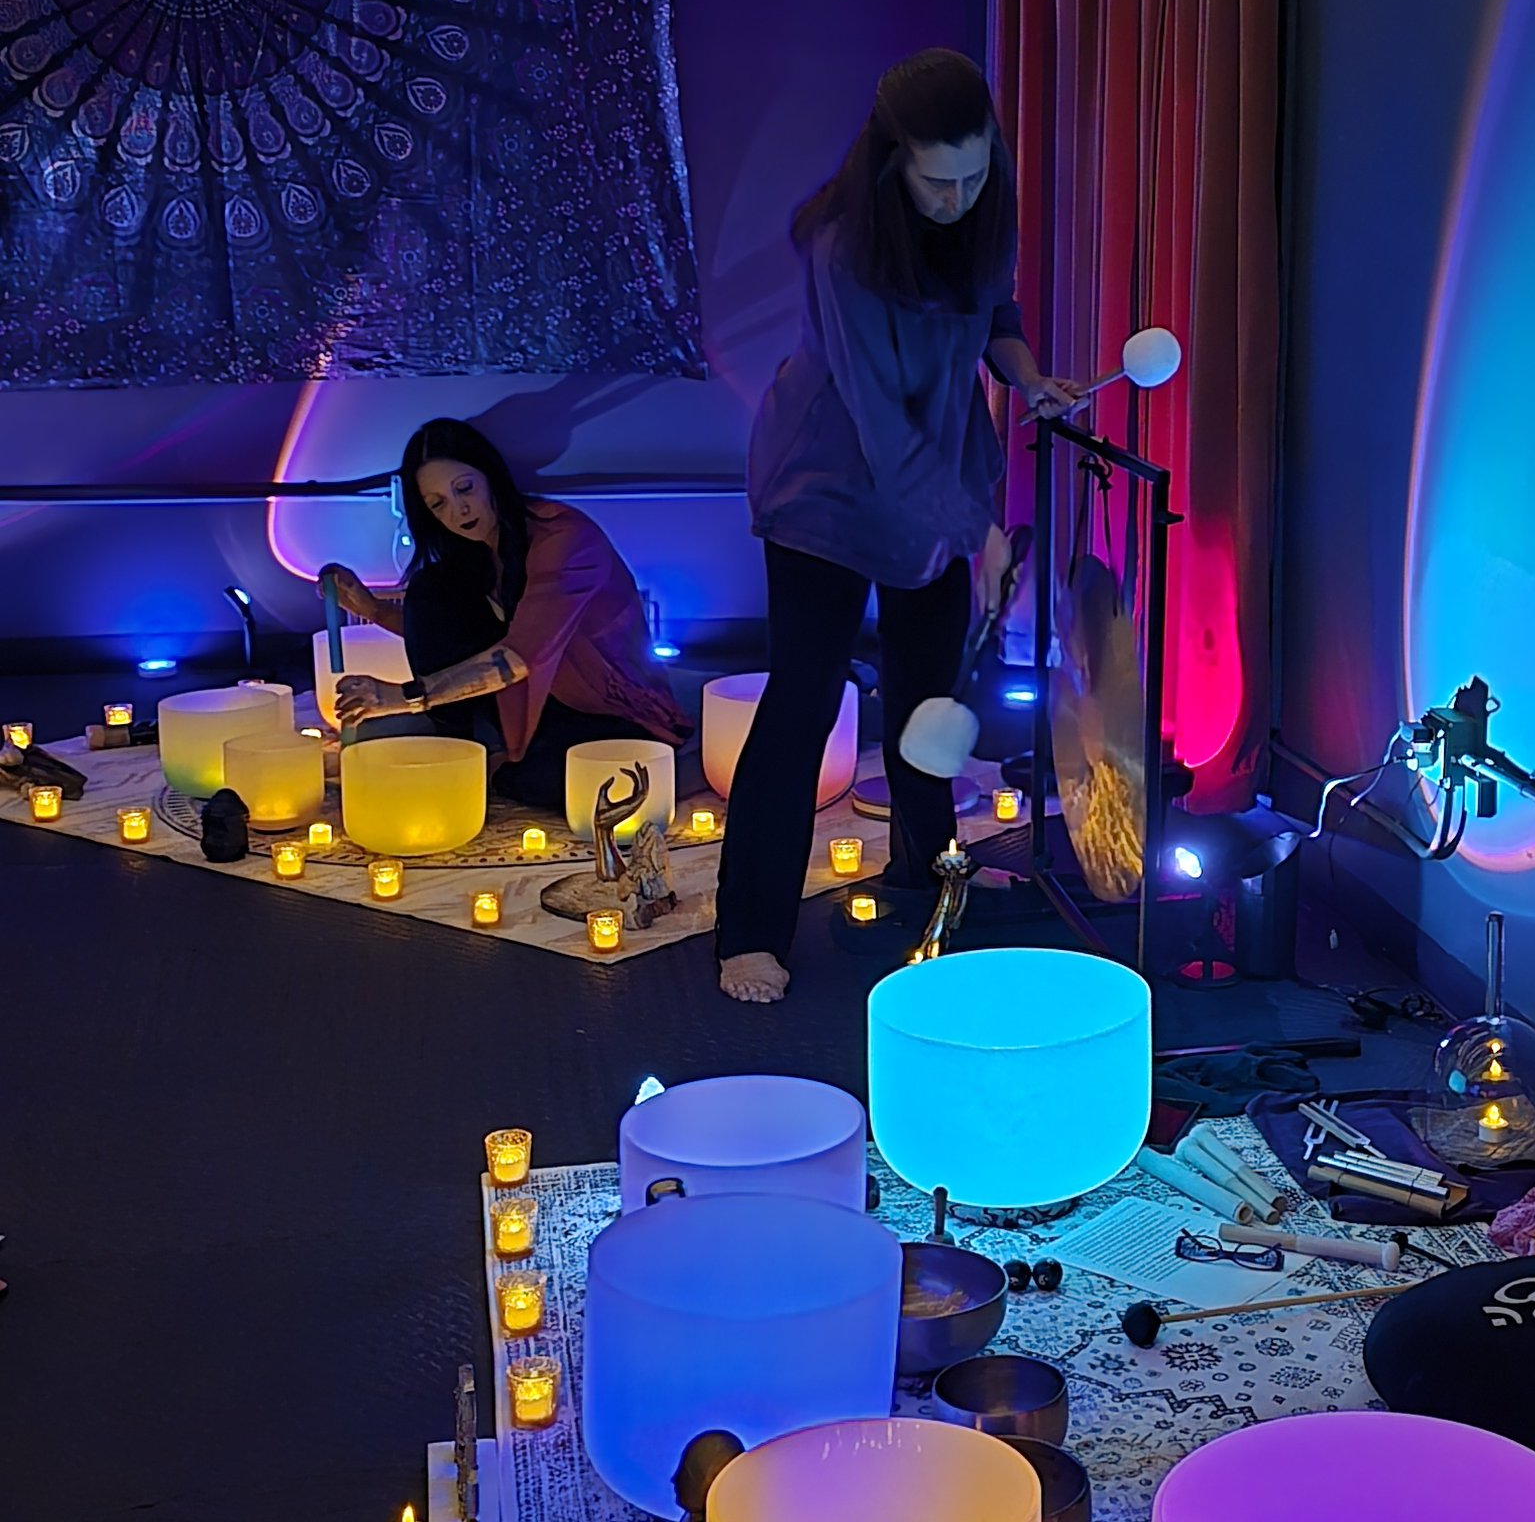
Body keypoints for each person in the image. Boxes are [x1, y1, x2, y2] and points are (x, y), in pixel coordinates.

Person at [718, 49, 1070, 1004]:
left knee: (929, 699)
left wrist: (1024, 373)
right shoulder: (844, 247)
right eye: (935, 179)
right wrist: (982, 533)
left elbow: (992, 308)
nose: (957, 197)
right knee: (803, 702)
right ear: (891, 162)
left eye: (972, 175)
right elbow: (883, 429)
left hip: (935, 479)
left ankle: (931, 883)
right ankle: (748, 931)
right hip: (826, 485)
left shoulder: (982, 204)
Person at [320, 419, 690, 812]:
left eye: (464, 488)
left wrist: (406, 696)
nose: (458, 509)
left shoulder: (564, 539)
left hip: (605, 706)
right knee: (430, 588)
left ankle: (490, 762)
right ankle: (463, 741)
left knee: (568, 782)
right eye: (437, 503)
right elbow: (453, 631)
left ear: (490, 476)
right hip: (531, 699)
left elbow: (519, 655)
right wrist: (372, 609)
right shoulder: (476, 552)